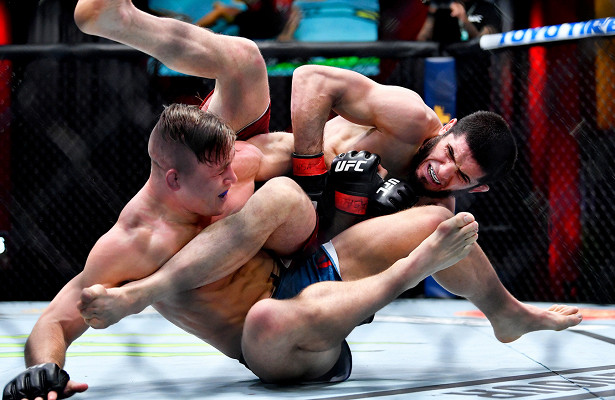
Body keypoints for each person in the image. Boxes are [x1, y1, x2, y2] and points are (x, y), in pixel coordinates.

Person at [3, 1, 583, 399]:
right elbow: (56, 319)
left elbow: (274, 154)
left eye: (235, 158)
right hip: (276, 333)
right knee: (269, 302)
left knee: (245, 66)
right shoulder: (137, 240)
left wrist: (316, 184)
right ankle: (408, 265)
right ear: (176, 181)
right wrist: (43, 371)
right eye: (225, 172)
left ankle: (122, 19)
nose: (238, 172)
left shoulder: (241, 163)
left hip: (313, 258)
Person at [417, 0, 502, 44]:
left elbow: (484, 41)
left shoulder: (488, 8)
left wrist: (464, 20)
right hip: (445, 63)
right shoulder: (445, 6)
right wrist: (432, 13)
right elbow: (422, 40)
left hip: (475, 66)